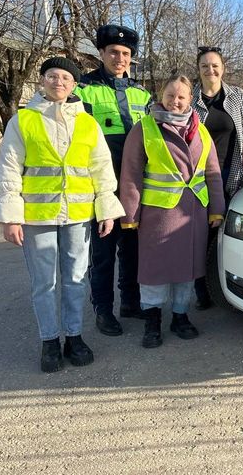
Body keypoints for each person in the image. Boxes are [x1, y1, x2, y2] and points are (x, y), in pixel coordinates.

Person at [0, 57, 125, 372]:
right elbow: (9, 169)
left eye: (66, 78)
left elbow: (101, 170)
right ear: (42, 80)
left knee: (76, 281)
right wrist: (10, 215)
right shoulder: (23, 121)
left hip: (78, 216)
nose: (59, 82)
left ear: (74, 85)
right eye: (53, 76)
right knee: (45, 283)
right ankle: (50, 341)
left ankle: (74, 336)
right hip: (37, 218)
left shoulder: (87, 123)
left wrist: (106, 210)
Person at [119, 74, 226, 348]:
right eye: (170, 95)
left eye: (181, 96)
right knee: (154, 271)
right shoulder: (145, 128)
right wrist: (129, 215)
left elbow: (212, 172)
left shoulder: (201, 130)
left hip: (193, 216)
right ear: (161, 96)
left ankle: (180, 316)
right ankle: (152, 321)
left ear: (191, 99)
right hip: (158, 216)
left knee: (187, 270)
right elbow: (130, 174)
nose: (175, 101)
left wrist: (217, 209)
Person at [76, 24, 152, 336]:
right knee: (103, 254)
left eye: (125, 54)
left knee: (133, 249)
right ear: (102, 53)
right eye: (114, 52)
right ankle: (103, 310)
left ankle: (130, 303)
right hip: (101, 188)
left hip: (134, 186)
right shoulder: (82, 90)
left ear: (131, 57)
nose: (119, 58)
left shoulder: (142, 93)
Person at [191, 46, 243, 309]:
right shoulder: (190, 99)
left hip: (229, 175)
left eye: (214, 65)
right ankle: (202, 290)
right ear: (198, 70)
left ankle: (235, 286)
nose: (210, 70)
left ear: (223, 68)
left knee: (225, 234)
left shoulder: (238, 97)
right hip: (196, 179)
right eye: (204, 66)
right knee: (200, 236)